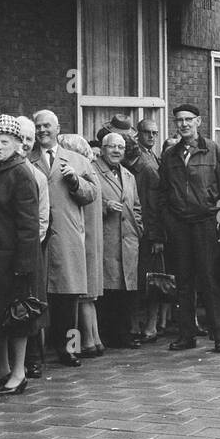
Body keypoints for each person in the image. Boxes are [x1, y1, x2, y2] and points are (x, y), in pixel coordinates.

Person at [0, 116, 43, 395]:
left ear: (17, 144)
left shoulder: (21, 173)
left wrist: (24, 265)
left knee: (18, 317)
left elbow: (29, 224)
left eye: (4, 142)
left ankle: (18, 372)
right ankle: (2, 368)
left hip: (14, 258)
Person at [157, 103, 220, 354]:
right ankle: (186, 335)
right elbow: (164, 193)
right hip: (180, 225)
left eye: (188, 119)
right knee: (183, 282)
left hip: (206, 224)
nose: (183, 124)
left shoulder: (215, 151)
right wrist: (168, 222)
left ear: (199, 121)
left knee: (210, 279)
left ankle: (219, 335)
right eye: (179, 120)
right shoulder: (170, 155)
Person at [29, 110, 99, 367]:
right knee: (37, 296)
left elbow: (92, 193)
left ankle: (69, 349)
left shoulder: (76, 160)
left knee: (68, 299)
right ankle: (36, 354)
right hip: (38, 236)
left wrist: (76, 181)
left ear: (58, 129)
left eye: (47, 126)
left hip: (67, 236)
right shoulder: (29, 158)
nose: (42, 130)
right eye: (38, 126)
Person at [93, 131, 144, 347]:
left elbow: (136, 206)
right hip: (107, 237)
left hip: (128, 239)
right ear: (103, 149)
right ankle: (107, 335)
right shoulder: (93, 171)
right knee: (107, 289)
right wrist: (104, 206)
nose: (116, 151)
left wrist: (138, 228)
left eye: (120, 147)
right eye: (112, 147)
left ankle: (124, 335)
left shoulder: (129, 175)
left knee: (126, 290)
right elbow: (85, 198)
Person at [61, 132, 105, 356]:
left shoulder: (77, 174)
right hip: (92, 238)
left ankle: (82, 343)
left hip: (81, 238)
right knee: (90, 298)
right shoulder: (93, 172)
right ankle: (94, 339)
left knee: (81, 297)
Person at [128, 119, 166, 342]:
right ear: (138, 134)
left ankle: (150, 325)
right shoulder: (138, 160)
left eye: (155, 133)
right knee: (138, 281)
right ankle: (136, 324)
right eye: (147, 132)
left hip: (150, 231)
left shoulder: (152, 161)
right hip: (138, 229)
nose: (152, 136)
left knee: (154, 282)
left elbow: (157, 204)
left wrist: (158, 235)